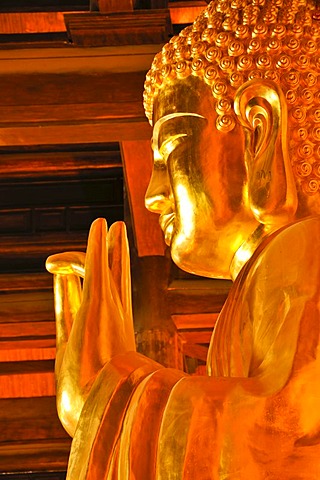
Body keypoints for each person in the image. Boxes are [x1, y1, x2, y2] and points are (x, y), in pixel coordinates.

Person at [46, 0, 320, 478]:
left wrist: (112, 394)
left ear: (259, 129)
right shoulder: (265, 278)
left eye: (171, 147)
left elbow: (285, 428)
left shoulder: (305, 250)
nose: (152, 196)